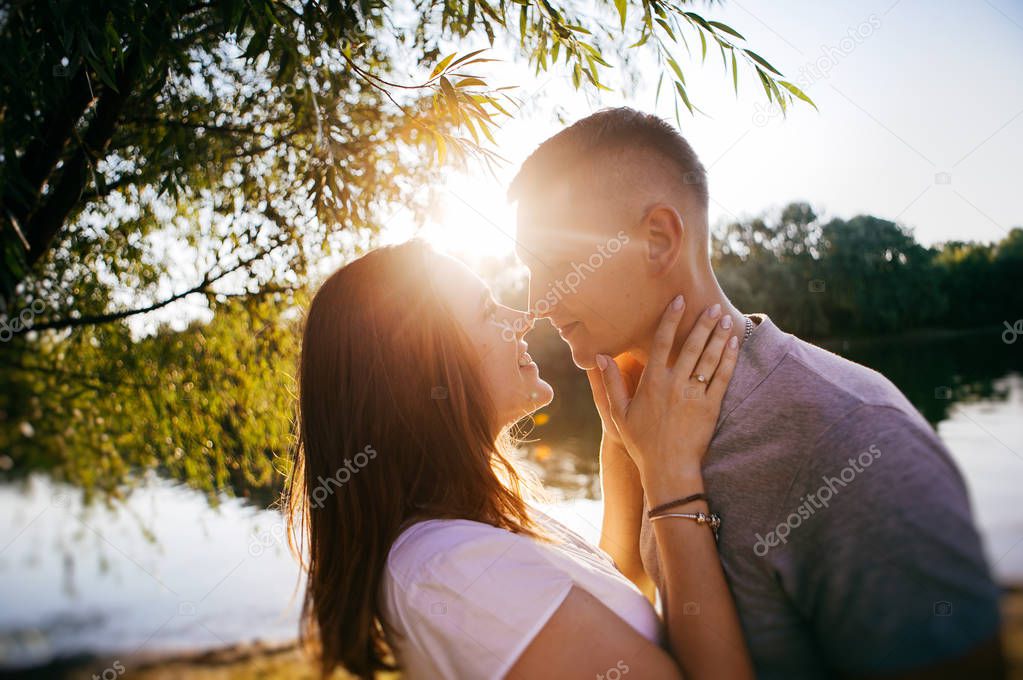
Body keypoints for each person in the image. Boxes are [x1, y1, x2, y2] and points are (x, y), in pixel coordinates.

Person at [507, 106, 1005, 679]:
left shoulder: (857, 442)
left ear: (658, 240)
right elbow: (628, 595)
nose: (538, 299)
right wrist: (626, 449)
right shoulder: (640, 409)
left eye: (557, 263)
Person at [285, 239, 754, 679]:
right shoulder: (453, 572)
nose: (523, 316)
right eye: (489, 311)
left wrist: (623, 446)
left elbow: (613, 597)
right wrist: (671, 475)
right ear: (428, 373)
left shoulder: (470, 529)